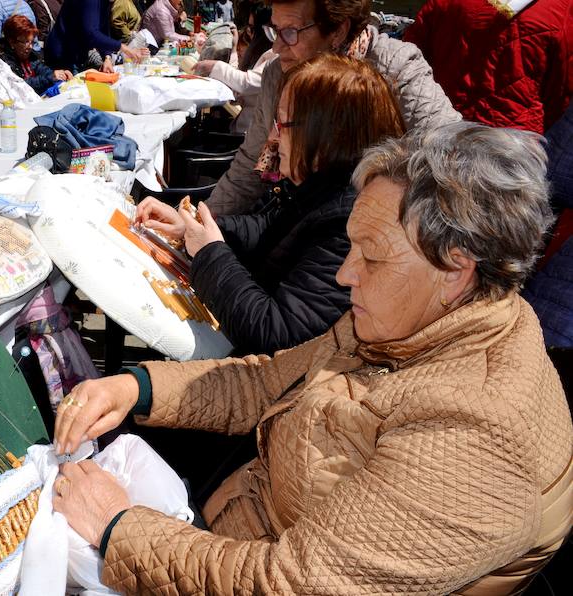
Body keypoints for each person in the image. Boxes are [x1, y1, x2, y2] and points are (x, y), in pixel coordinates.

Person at [52, 121, 572, 594]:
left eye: (371, 256)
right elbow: (271, 380)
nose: (346, 275)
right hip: (229, 527)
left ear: (455, 268)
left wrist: (118, 528)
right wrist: (136, 388)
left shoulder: (475, 439)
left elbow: (291, 585)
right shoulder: (416, 318)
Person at [138, 55, 405, 354]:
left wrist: (209, 251)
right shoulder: (325, 187)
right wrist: (194, 227)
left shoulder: (350, 221)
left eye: (283, 124)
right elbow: (269, 230)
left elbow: (276, 334)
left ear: (327, 136)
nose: (272, 137)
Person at [206, 0, 460, 216]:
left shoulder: (395, 69)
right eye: (275, 29)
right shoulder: (278, 72)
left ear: (338, 30)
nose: (276, 47)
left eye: (291, 31)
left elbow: (454, 156)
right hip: (296, 224)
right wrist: (205, 217)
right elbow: (251, 163)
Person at [403, 0, 573, 134]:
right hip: (513, 138)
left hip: (441, 120)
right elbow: (561, 89)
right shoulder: (560, 7)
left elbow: (410, 55)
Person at [191, 5, 272, 132]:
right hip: (243, 128)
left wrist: (215, 66)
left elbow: (246, 83)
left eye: (252, 28)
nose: (248, 32)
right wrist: (233, 50)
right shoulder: (263, 53)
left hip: (248, 134)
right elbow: (237, 81)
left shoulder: (275, 56)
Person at [46, 0, 145, 73]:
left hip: (77, 53)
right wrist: (124, 48)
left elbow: (103, 29)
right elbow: (90, 33)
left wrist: (107, 57)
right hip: (63, 55)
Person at [0, 15, 72, 95]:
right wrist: (49, 78)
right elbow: (19, 84)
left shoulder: (30, 55)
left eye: (32, 42)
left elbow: (42, 69)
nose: (30, 46)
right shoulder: (2, 61)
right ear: (12, 42)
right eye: (25, 42)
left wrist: (59, 75)